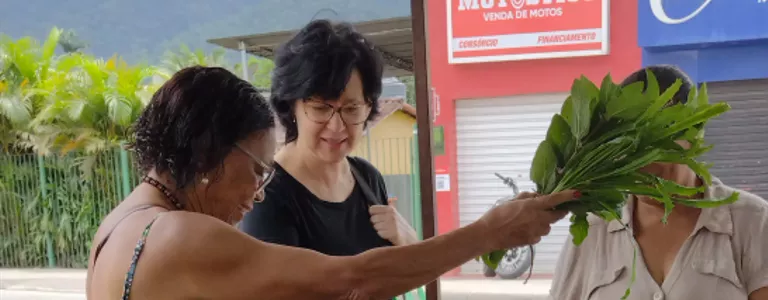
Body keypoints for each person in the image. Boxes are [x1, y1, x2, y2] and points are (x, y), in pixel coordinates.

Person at [86, 66, 577, 300]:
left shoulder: (118, 226)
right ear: (211, 151)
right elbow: (354, 277)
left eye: (353, 109)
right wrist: (491, 232)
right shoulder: (179, 236)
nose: (258, 192)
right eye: (258, 170)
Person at [548, 65, 768, 300]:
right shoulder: (595, 229)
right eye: (626, 143)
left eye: (655, 140)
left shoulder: (750, 219)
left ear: (693, 133)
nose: (638, 161)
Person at [239, 19, 416, 255]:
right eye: (321, 108)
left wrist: (408, 239)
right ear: (292, 106)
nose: (336, 126)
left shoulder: (368, 178)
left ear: (369, 108)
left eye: (352, 109)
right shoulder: (266, 196)